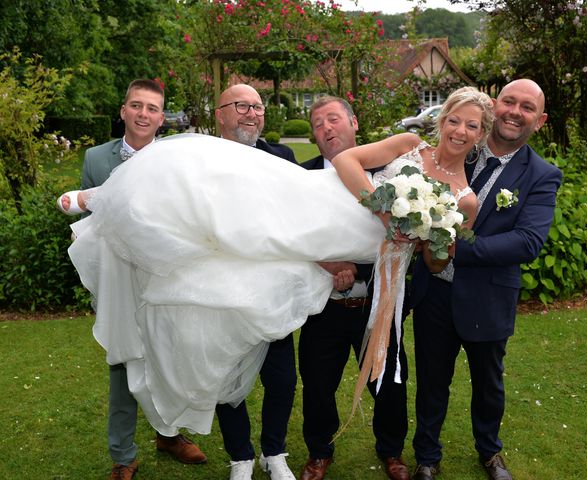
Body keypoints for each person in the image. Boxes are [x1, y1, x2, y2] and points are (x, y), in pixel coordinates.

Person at [58, 87, 490, 477]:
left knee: (251, 246)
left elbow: (435, 263)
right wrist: (384, 212)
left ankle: (141, 209)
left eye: (471, 125)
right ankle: (112, 196)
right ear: (442, 120)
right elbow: (346, 160)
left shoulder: (465, 199)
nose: (459, 129)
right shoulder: (411, 146)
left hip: (363, 248)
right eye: (454, 119)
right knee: (258, 199)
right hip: (342, 206)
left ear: (480, 133)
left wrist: (431, 237)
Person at [409, 79, 563, 480]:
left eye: (526, 107)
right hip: (435, 294)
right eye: (508, 101)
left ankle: (490, 453)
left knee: (488, 384)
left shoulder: (542, 175)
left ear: (540, 120)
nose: (515, 111)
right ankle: (426, 456)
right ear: (495, 105)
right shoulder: (462, 145)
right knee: (431, 380)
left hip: (489, 297)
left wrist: (454, 247)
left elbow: (528, 241)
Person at [68, 79, 207, 480]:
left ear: (162, 118)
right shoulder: (96, 158)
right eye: (136, 105)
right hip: (118, 279)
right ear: (124, 110)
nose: (143, 114)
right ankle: (123, 454)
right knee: (121, 364)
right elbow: (87, 222)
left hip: (166, 279)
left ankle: (169, 434)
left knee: (169, 361)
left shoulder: (175, 159)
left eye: (152, 108)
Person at [297, 96, 410, 480]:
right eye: (318, 124)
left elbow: (401, 233)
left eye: (333, 119)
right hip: (323, 307)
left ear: (354, 122)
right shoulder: (303, 177)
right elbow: (289, 234)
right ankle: (318, 451)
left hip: (377, 304)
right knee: (316, 382)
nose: (327, 128)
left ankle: (392, 451)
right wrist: (326, 263)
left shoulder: (391, 172)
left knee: (389, 381)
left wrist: (361, 268)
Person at [214, 84, 297, 480]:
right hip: (222, 288)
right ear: (220, 114)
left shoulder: (282, 157)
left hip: (273, 289)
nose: (252, 113)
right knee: (228, 378)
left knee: (281, 378)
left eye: (258, 106)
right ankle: (240, 457)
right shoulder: (201, 159)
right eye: (242, 106)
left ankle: (274, 453)